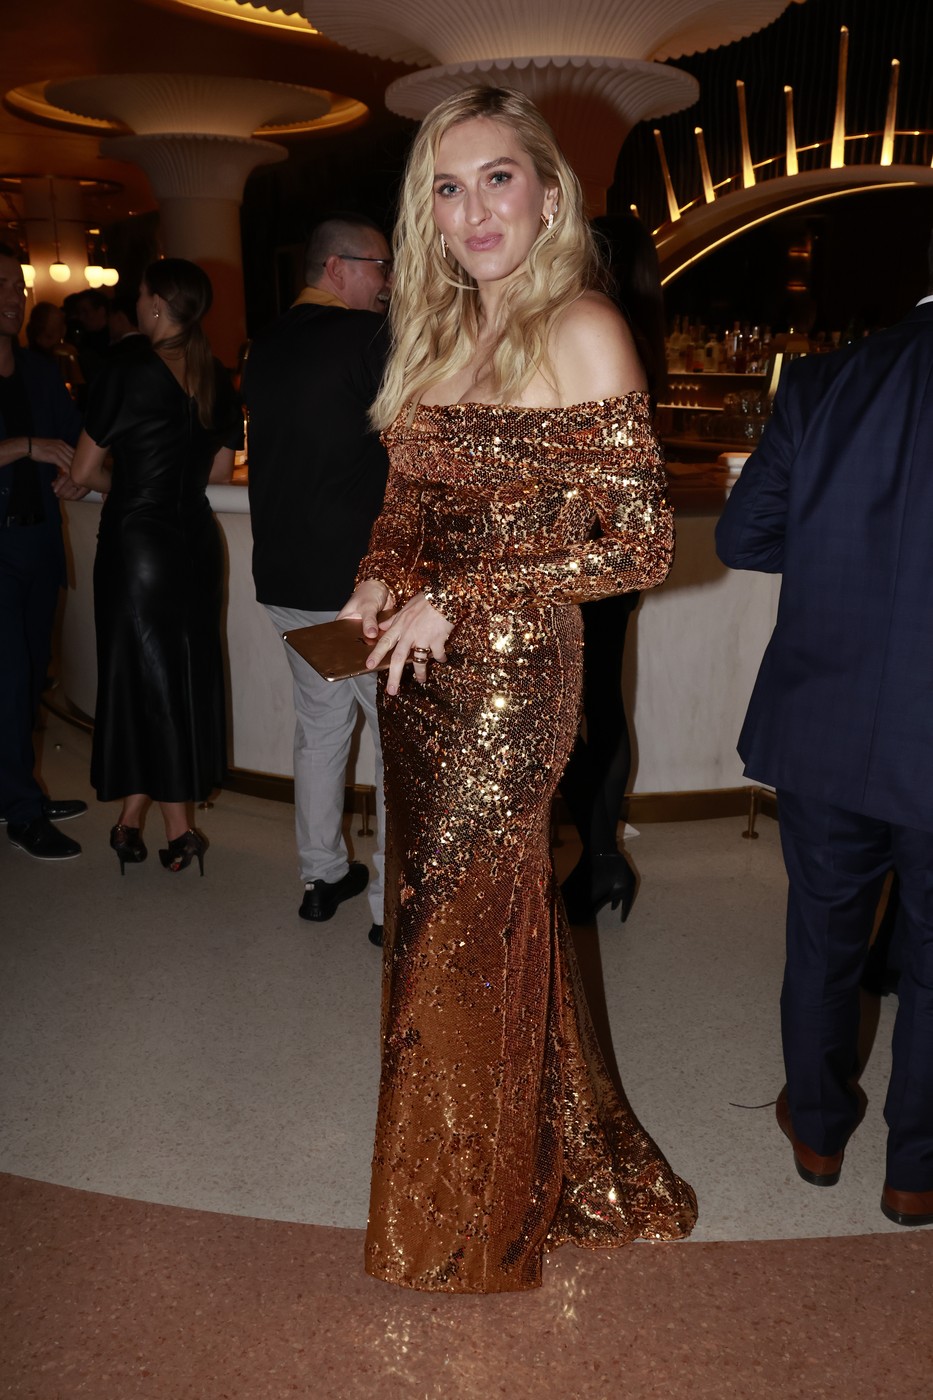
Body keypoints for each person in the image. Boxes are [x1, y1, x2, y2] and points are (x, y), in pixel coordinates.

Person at [337, 87, 697, 1293]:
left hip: (511, 683)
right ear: (426, 213)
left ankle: (468, 1219)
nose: (475, 208)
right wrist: (378, 579)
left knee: (463, 935)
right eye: (448, 187)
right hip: (417, 675)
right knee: (442, 925)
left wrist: (466, 593)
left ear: (548, 193)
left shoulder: (582, 325)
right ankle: (528, 1160)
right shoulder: (437, 330)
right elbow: (408, 505)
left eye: (498, 177)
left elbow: (639, 544)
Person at [715, 237, 933, 1228]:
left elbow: (743, 537)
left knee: (822, 932)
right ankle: (915, 1171)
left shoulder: (821, 380)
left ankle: (816, 1131)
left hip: (824, 720)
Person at [243, 214, 392, 944]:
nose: (387, 283)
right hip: (357, 587)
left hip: (285, 577)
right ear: (338, 268)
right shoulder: (369, 339)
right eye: (379, 267)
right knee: (397, 747)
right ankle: (390, 908)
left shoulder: (263, 345)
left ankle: (321, 877)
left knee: (321, 729)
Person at [71, 258, 242, 875]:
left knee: (145, 680)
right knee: (180, 677)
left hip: (138, 544)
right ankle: (131, 819)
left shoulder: (124, 370)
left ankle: (178, 829)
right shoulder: (215, 376)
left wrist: (132, 480)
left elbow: (84, 473)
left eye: (140, 294)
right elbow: (218, 473)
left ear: (155, 305)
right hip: (195, 541)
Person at [559, 213, 669, 924]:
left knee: (577, 708)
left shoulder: (592, 328)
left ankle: (597, 856)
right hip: (609, 554)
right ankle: (602, 858)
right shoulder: (636, 330)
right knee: (599, 701)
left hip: (583, 552)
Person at [0, 245, 88, 860]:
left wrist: (77, 474)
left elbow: (76, 438)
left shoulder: (37, 370)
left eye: (18, 286)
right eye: (3, 284)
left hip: (37, 540)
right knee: (9, 677)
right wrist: (27, 445)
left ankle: (15, 790)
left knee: (31, 673)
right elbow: (38, 443)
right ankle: (23, 813)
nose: (15, 296)